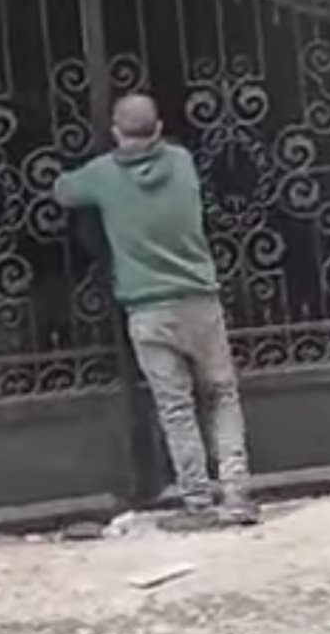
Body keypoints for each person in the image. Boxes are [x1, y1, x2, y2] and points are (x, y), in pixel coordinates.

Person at [54, 93, 257, 527]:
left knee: (176, 407)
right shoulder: (181, 162)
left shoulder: (103, 176)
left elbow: (63, 191)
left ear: (115, 131)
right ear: (160, 129)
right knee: (222, 394)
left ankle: (198, 502)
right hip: (200, 300)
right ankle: (237, 494)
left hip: (148, 309)